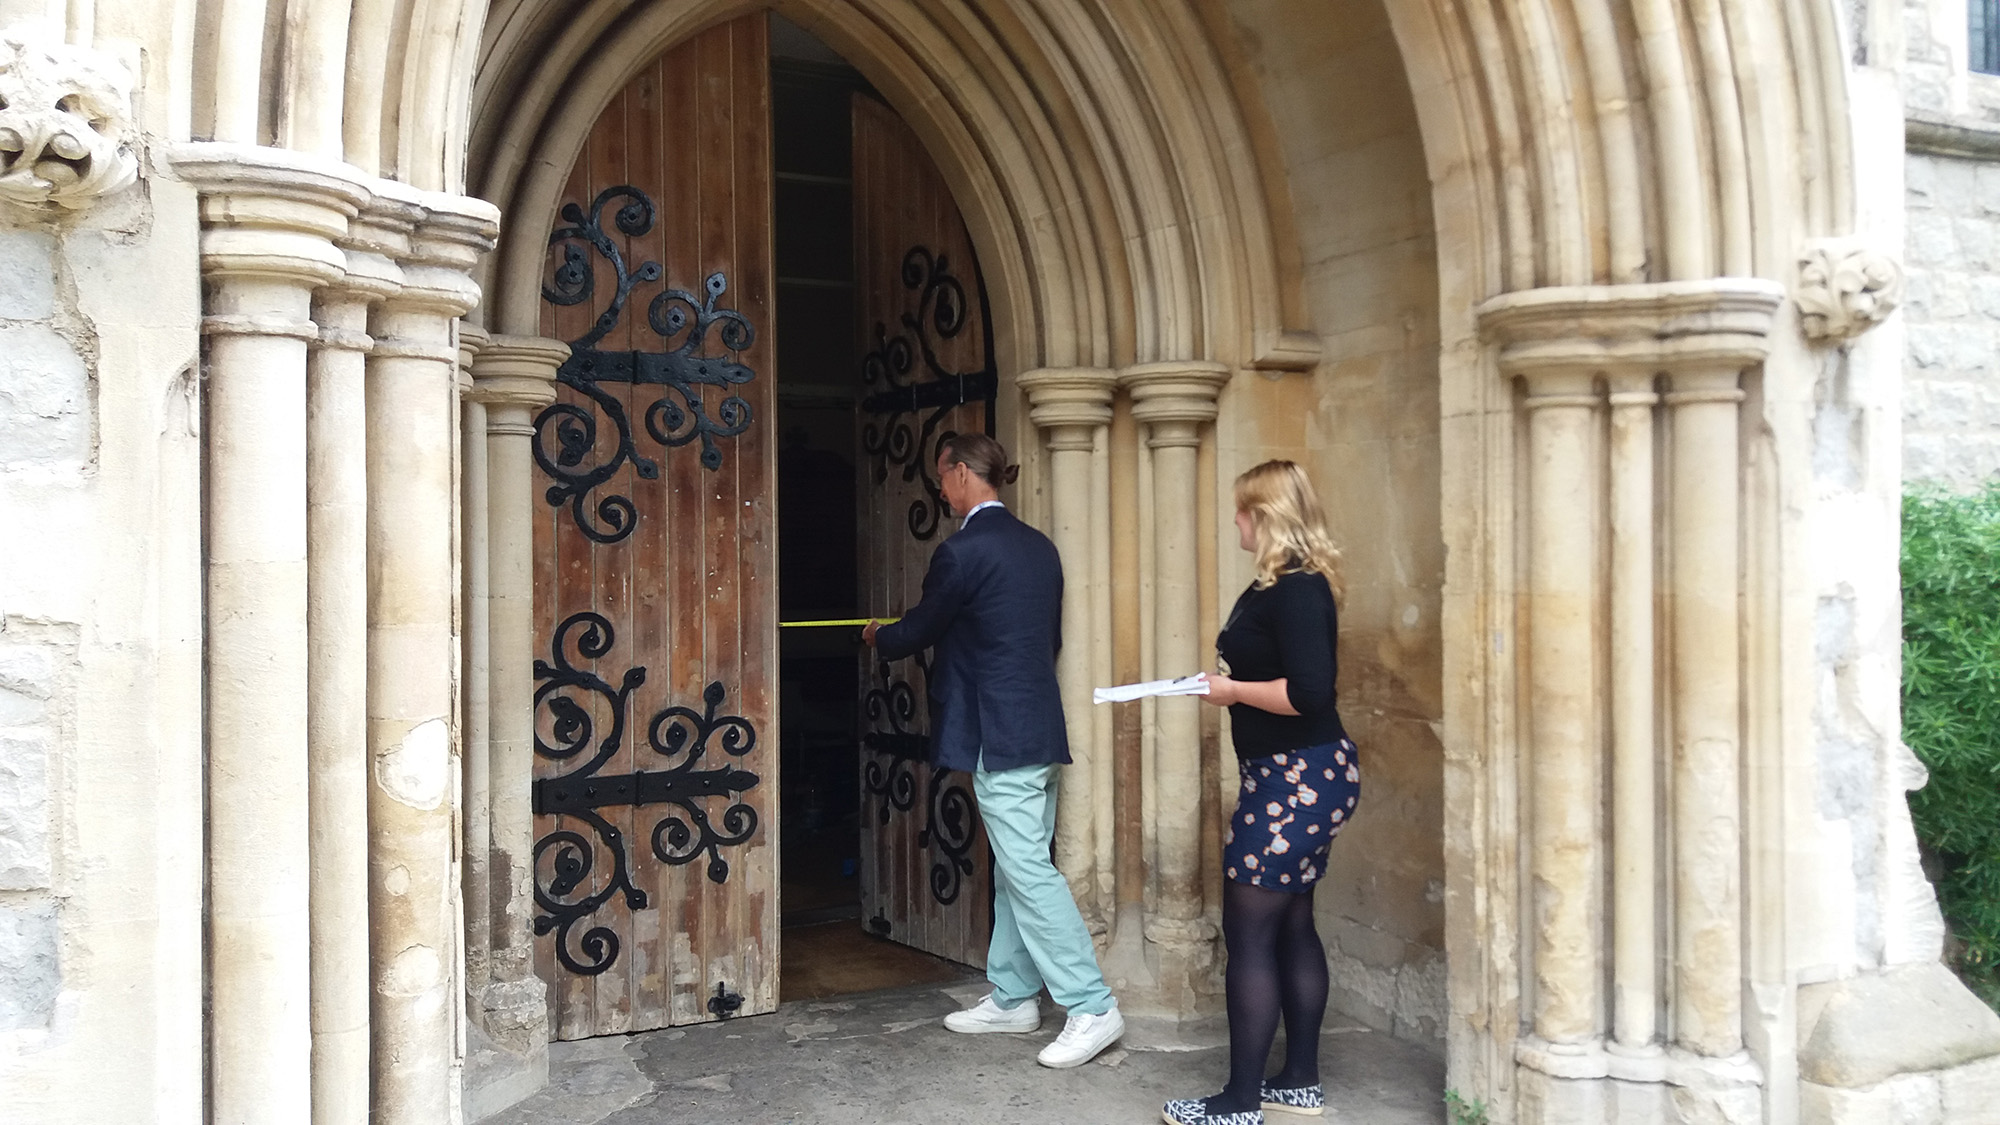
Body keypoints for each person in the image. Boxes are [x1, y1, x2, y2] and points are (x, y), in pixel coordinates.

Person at [864, 432, 1125, 1068]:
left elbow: (922, 627)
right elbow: (1043, 639)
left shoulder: (961, 552)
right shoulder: (1040, 548)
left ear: (959, 474)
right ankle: (1012, 998)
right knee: (1020, 864)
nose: (941, 490)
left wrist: (880, 636)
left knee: (1031, 873)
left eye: (941, 478)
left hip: (998, 733)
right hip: (1036, 723)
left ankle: (1092, 1006)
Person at [1163, 460, 1359, 1125]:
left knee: (1247, 932)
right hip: (1290, 776)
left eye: (1244, 510)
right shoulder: (1276, 585)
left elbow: (1309, 694)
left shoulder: (1299, 588)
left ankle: (1239, 1101)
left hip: (1297, 779)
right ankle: (1298, 1079)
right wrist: (1222, 681)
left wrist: (1230, 691)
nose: (1236, 520)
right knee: (1292, 921)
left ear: (1266, 516)